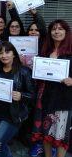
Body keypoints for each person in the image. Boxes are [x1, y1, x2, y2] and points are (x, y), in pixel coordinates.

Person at [32, 20, 72, 157]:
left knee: (61, 135)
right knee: (46, 131)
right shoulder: (45, 51)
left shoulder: (71, 52)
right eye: (54, 29)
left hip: (63, 100)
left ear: (66, 32)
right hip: (45, 98)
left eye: (60, 29)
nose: (56, 31)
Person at [0, 41, 34, 157]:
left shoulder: (24, 72)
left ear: (14, 54)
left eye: (7, 52)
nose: (4, 55)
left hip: (12, 115)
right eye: (1, 53)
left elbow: (33, 95)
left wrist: (21, 96)